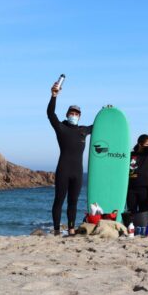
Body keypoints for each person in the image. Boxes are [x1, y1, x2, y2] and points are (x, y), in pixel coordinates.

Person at [47, 81, 93, 236]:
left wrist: (107, 112)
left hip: (77, 172)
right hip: (63, 170)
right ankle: (57, 230)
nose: (74, 115)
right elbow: (50, 114)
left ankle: (71, 230)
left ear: (79, 116)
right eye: (71, 113)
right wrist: (54, 95)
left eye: (76, 114)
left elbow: (99, 124)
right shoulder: (61, 128)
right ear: (67, 114)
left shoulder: (83, 131)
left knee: (73, 202)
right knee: (59, 200)